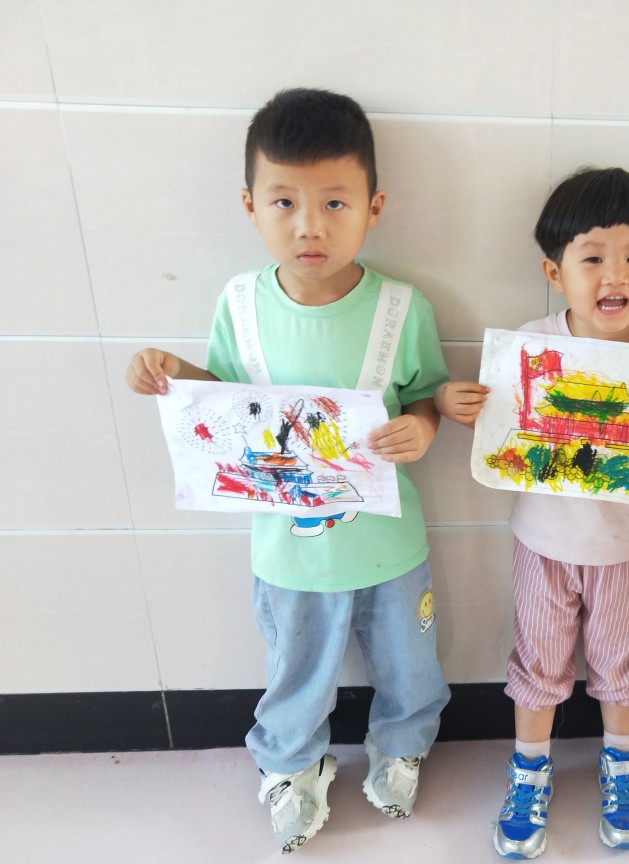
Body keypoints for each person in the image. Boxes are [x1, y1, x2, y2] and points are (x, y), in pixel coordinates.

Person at [124, 88, 451, 853]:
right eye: (284, 202)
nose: (310, 225)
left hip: (389, 541)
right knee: (296, 666)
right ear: (250, 206)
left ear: (373, 207)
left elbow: (428, 393)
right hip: (288, 550)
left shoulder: (401, 308)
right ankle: (290, 764)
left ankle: (402, 746)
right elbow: (222, 400)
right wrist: (173, 372)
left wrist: (424, 425)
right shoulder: (240, 304)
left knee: (409, 661)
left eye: (335, 203)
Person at [435, 167, 629, 858]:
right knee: (538, 661)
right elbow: (501, 429)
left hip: (625, 549)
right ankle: (529, 769)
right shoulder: (532, 345)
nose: (615, 275)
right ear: (555, 270)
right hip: (540, 544)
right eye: (593, 258)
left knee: (620, 663)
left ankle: (621, 765)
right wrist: (462, 406)